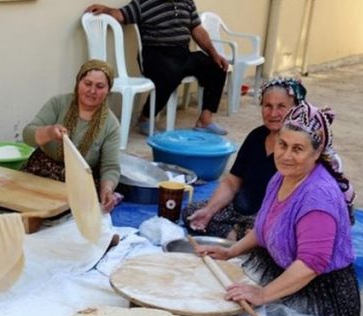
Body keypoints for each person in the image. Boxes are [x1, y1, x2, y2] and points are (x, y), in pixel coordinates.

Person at [198, 102, 360, 316]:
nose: (286, 155)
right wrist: (230, 251)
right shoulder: (281, 177)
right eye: (282, 145)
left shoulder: (319, 198)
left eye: (298, 149)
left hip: (318, 296)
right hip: (287, 271)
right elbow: (264, 228)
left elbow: (310, 264)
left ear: (316, 153)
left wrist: (263, 294)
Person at [185, 77, 308, 239]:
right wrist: (209, 211)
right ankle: (237, 238)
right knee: (193, 213)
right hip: (239, 209)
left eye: (281, 107)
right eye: (267, 106)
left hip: (269, 218)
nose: (273, 114)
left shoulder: (301, 146)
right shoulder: (256, 136)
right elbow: (232, 182)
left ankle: (241, 241)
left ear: (296, 109)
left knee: (272, 235)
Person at [86, 1, 230, 135]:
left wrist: (215, 54)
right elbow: (121, 14)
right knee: (171, 72)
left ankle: (204, 121)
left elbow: (197, 29)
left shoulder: (187, 2)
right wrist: (106, 10)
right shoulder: (145, 2)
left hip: (182, 53)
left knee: (217, 67)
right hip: (155, 54)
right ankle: (145, 117)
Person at [22, 59, 123, 212]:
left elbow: (110, 167)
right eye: (87, 84)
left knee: (69, 216)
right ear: (78, 83)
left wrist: (107, 190)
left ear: (108, 90)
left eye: (100, 86)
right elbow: (27, 135)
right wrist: (49, 132)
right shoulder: (58, 104)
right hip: (41, 172)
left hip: (79, 182)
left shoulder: (111, 125)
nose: (92, 91)